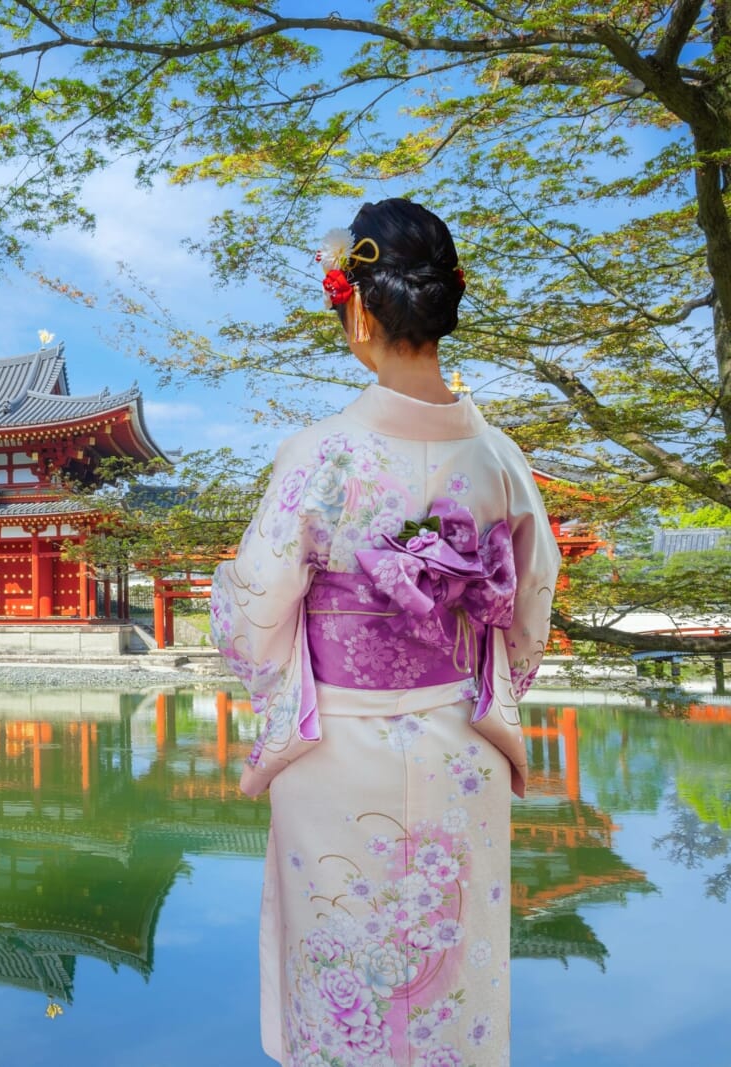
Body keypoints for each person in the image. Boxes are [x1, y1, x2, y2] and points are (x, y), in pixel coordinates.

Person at [209, 198, 562, 1067]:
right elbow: (529, 613)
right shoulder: (501, 460)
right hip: (456, 744)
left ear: (359, 307)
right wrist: (481, 681)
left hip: (335, 745)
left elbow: (255, 617)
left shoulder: (321, 454)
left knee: (345, 972)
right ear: (447, 301)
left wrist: (270, 671)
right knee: (454, 980)